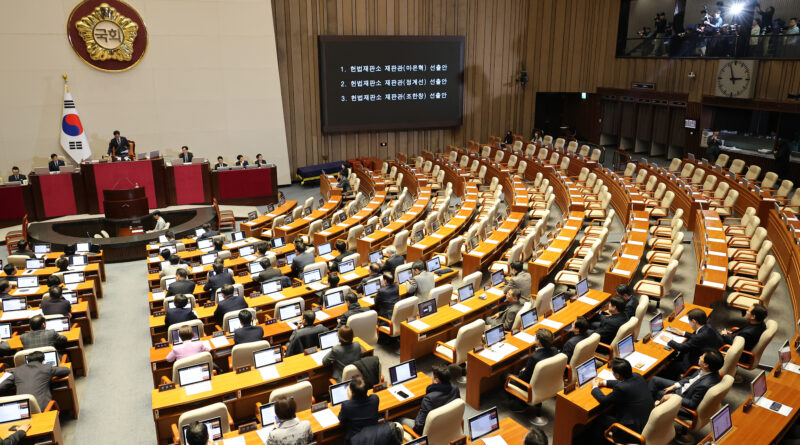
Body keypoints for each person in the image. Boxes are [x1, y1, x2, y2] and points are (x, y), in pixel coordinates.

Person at [590, 359, 654, 442]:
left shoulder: (621, 388)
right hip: (646, 421)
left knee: (598, 420)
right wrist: (603, 383)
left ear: (617, 375)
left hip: (632, 430)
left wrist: (594, 387)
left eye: (613, 372)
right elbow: (622, 382)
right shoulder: (637, 376)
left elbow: (604, 400)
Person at [648, 350, 723, 411]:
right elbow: (690, 378)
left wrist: (672, 396)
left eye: (702, 357)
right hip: (684, 388)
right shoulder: (708, 369)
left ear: (706, 364)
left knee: (657, 393)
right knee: (654, 379)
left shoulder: (704, 385)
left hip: (683, 397)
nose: (699, 357)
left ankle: (646, 412)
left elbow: (692, 404)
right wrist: (675, 386)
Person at [401, 364, 461, 434]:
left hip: (430, 433)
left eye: (432, 376)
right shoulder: (455, 389)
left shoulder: (429, 399)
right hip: (448, 426)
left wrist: (417, 417)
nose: (431, 377)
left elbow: (419, 427)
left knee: (401, 419)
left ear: (436, 380)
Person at [0, 350, 70, 411]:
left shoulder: (17, 370)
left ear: (28, 361)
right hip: (43, 408)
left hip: (23, 408)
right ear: (42, 361)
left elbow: (2, 386)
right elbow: (66, 370)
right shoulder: (46, 367)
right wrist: (51, 376)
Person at [662, 308, 723, 377]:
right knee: (680, 353)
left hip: (695, 362)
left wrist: (668, 340)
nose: (689, 323)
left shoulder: (699, 337)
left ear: (694, 322)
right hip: (707, 353)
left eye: (689, 321)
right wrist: (683, 333)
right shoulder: (709, 327)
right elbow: (698, 336)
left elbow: (681, 347)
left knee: (672, 364)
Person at [338, 376, 380, 444]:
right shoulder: (375, 399)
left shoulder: (347, 406)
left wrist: (349, 399)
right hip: (373, 438)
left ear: (352, 392)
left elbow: (341, 419)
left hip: (355, 441)